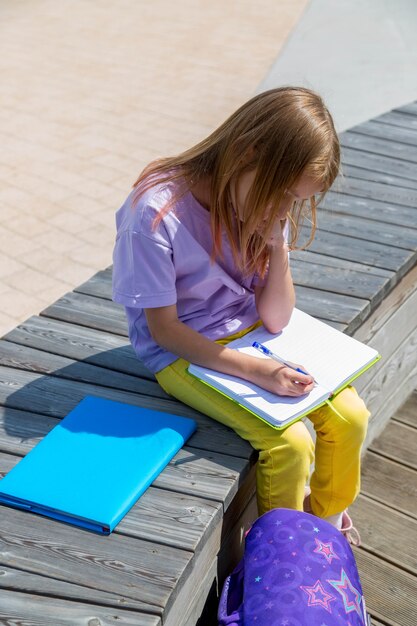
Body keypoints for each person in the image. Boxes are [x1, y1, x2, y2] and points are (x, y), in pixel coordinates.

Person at [112, 86, 370, 543]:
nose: (286, 209)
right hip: (181, 352)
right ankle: (282, 555)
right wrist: (255, 369)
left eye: (296, 200)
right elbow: (164, 330)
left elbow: (275, 318)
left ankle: (325, 527)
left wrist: (277, 244)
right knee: (290, 443)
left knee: (351, 416)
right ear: (249, 151)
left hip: (253, 334)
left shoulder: (261, 201)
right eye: (286, 194)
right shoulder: (154, 214)